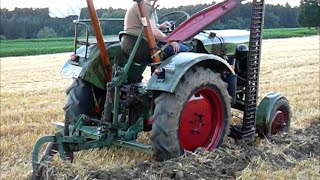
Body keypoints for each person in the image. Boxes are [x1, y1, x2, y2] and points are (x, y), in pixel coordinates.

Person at [121, 0, 189, 65]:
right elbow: (154, 32)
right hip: (144, 46)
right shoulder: (145, 6)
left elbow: (145, 26)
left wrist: (160, 26)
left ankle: (157, 74)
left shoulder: (138, 4)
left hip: (134, 46)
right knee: (186, 50)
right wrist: (170, 41)